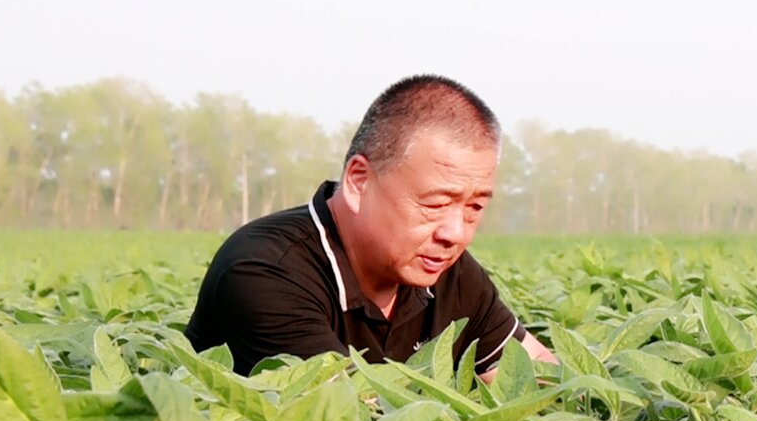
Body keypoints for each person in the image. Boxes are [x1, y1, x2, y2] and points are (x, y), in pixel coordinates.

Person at [186, 74, 556, 377]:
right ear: (359, 182)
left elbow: (536, 372)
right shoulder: (265, 270)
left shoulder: (447, 272)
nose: (455, 233)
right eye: (437, 203)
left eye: (474, 207)